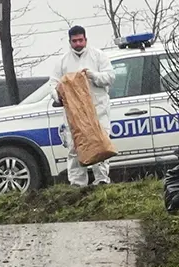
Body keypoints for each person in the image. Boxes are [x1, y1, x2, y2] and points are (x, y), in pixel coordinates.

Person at [50, 25, 116, 187]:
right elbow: (53, 83)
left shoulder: (98, 56)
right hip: (75, 115)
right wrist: (57, 94)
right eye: (74, 41)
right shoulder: (63, 62)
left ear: (86, 39)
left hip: (98, 111)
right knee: (74, 147)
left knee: (99, 145)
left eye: (80, 40)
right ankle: (78, 183)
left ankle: (101, 180)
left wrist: (93, 75)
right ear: (70, 41)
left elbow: (110, 77)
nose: (78, 44)